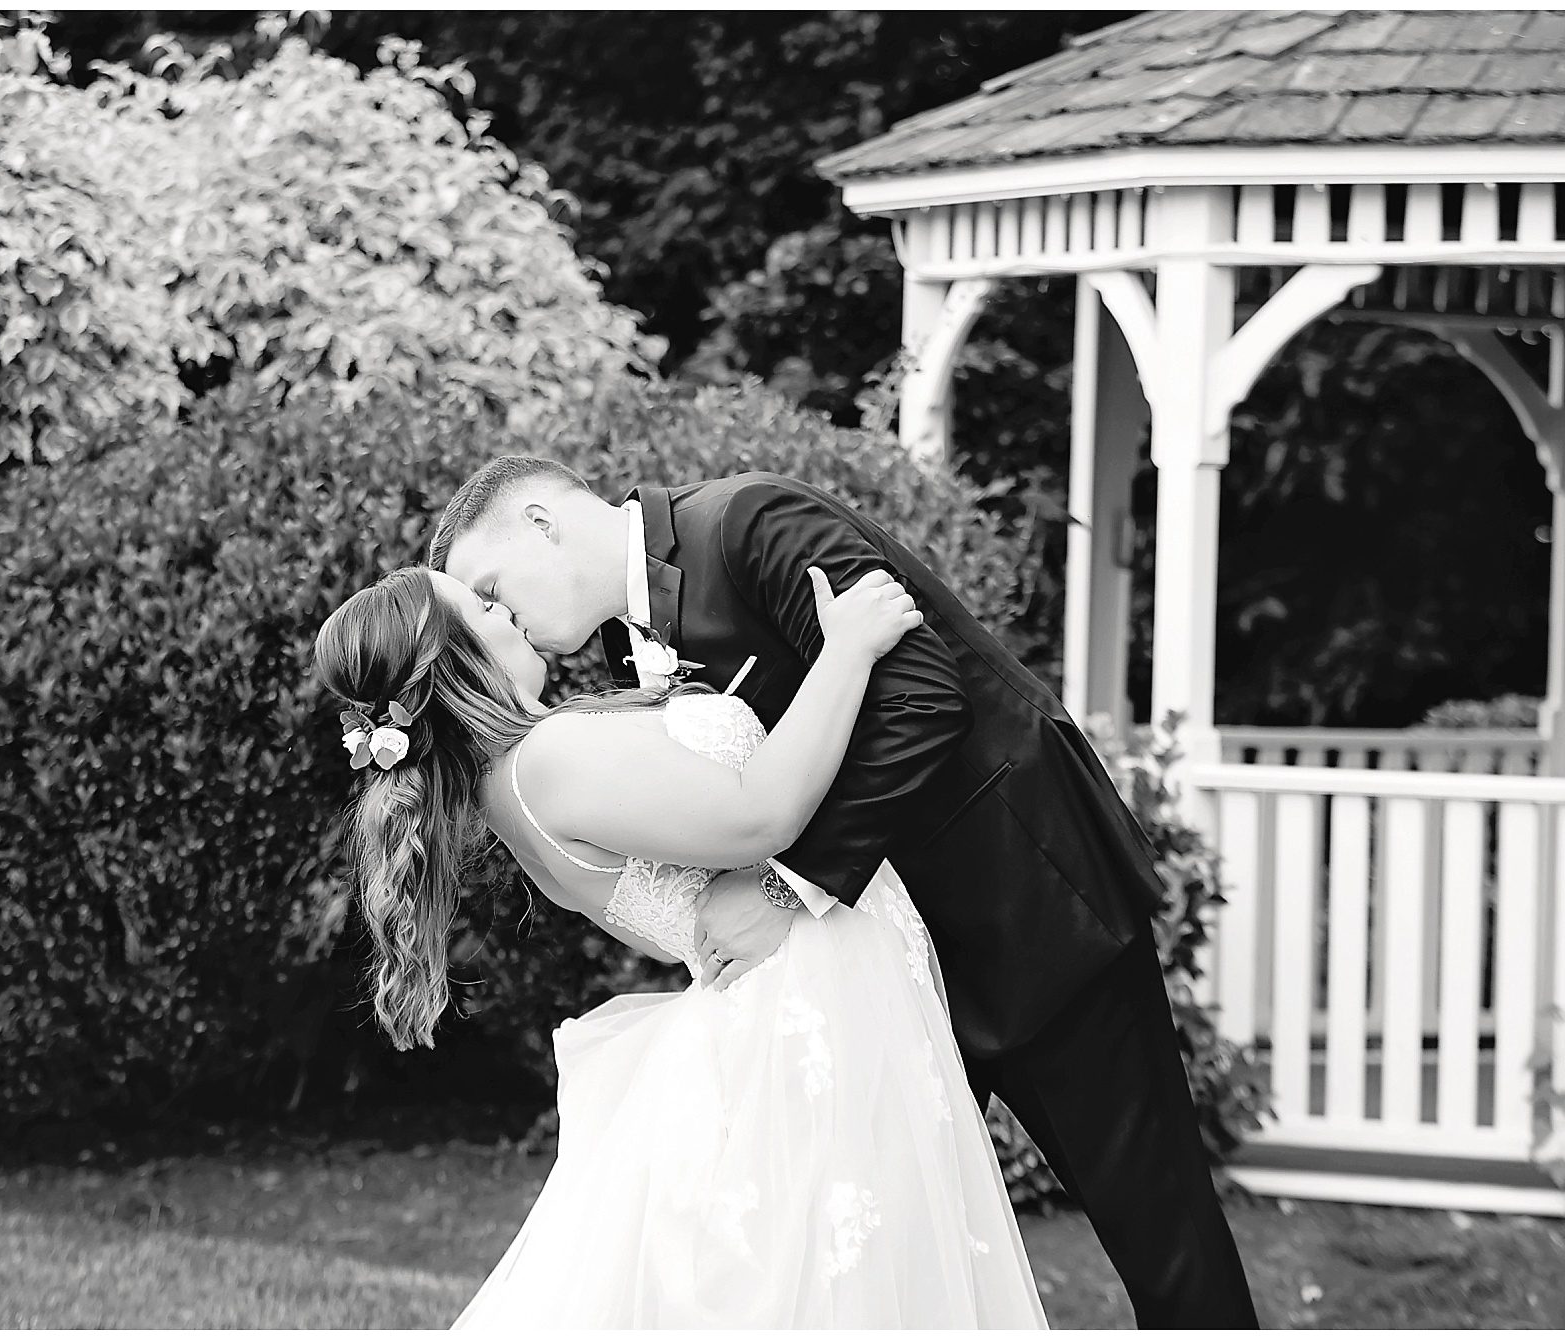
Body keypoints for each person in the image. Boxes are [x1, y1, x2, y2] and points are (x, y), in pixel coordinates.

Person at [430, 457, 1259, 1328]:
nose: (501, 619)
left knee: (1162, 1239)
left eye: (490, 590)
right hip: (886, 973)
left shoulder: (750, 522)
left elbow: (924, 695)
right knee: (897, 1263)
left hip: (1028, 904)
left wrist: (785, 886)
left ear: (541, 522)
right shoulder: (623, 646)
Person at [314, 562, 1047, 1327]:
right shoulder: (546, 762)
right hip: (810, 995)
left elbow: (677, 932)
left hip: (793, 991)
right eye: (484, 608)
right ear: (455, 661)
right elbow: (762, 815)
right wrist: (848, 650)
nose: (508, 612)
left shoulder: (508, 793)